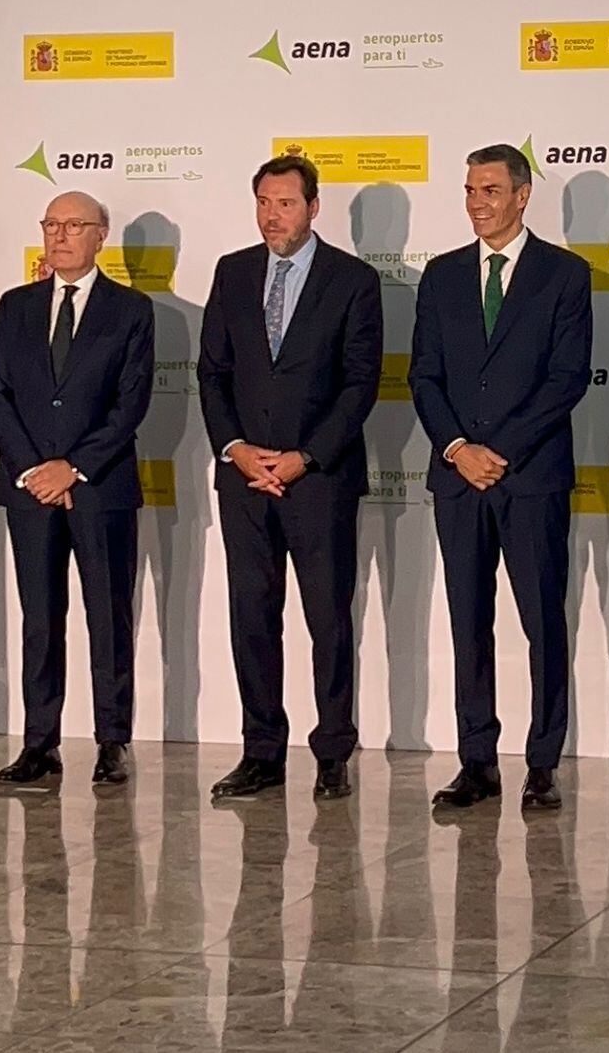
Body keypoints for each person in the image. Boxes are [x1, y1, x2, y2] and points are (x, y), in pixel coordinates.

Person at [410, 144, 593, 813]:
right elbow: (423, 376)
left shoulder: (565, 275)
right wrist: (460, 448)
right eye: (468, 190)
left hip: (531, 478)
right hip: (458, 480)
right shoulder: (441, 276)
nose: (476, 202)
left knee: (543, 621)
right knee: (468, 623)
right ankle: (477, 761)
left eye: (489, 189)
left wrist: (499, 451)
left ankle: (543, 763)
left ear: (521, 196)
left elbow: (566, 379)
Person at [198, 153, 382, 803]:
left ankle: (333, 751)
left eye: (286, 203)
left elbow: (361, 383)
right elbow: (212, 373)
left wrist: (305, 457)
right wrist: (235, 448)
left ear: (313, 207)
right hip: (244, 479)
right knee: (252, 615)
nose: (273, 215)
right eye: (264, 203)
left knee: (326, 618)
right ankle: (261, 752)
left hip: (319, 479)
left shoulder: (353, 280)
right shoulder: (232, 272)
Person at [0, 191, 155, 790]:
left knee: (107, 616)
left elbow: (129, 404)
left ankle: (112, 741)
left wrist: (73, 468)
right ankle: (39, 743)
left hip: (98, 488)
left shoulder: (132, 310)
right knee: (40, 617)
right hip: (29, 490)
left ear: (100, 235)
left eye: (73, 225)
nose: (59, 236)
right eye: (50, 224)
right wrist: (34, 470)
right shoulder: (14, 305)